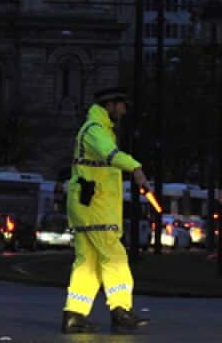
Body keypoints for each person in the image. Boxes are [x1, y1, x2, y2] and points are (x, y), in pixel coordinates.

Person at [61, 87, 151, 334]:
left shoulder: (96, 130)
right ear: (109, 105)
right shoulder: (95, 131)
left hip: (88, 205)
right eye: (121, 105)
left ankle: (74, 314)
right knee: (115, 257)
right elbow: (110, 156)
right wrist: (135, 168)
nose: (123, 110)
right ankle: (121, 310)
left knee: (87, 263)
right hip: (95, 206)